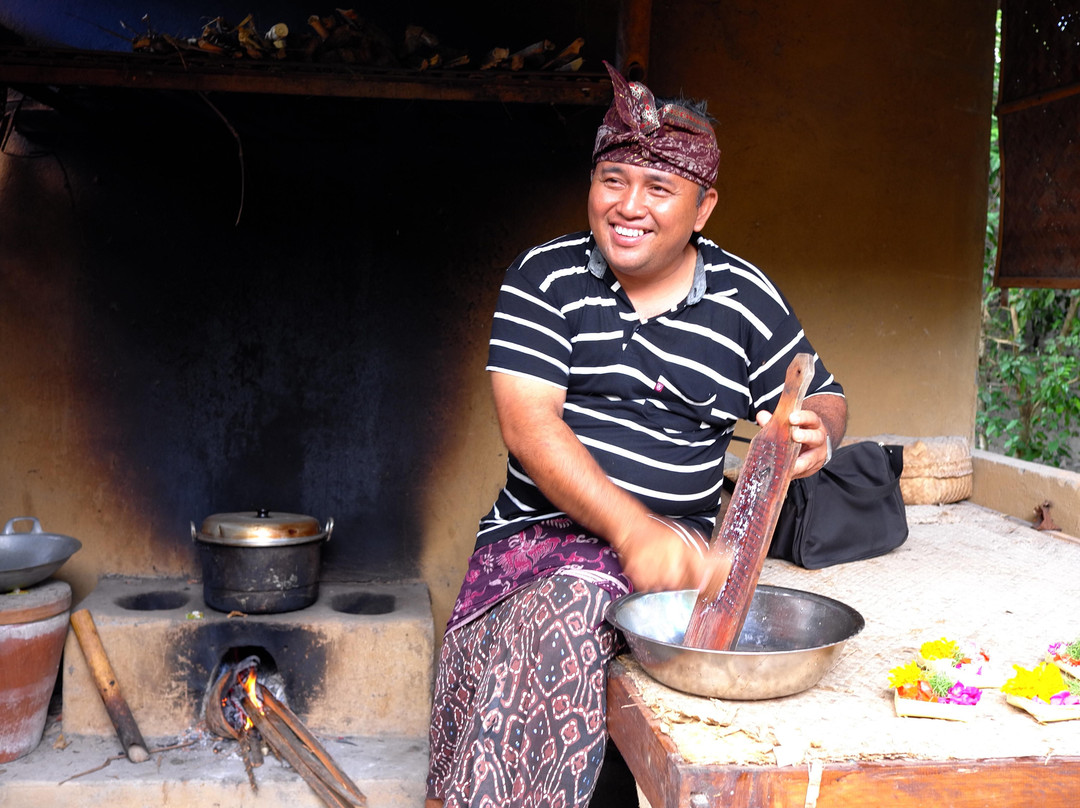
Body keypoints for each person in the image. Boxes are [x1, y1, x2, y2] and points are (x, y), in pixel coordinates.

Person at [425, 62, 847, 808]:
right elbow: (529, 427)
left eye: (659, 189)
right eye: (612, 180)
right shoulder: (545, 278)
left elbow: (827, 394)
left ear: (703, 207)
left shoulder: (745, 297)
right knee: (559, 614)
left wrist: (817, 432)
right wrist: (629, 531)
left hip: (682, 548)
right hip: (540, 536)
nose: (629, 207)